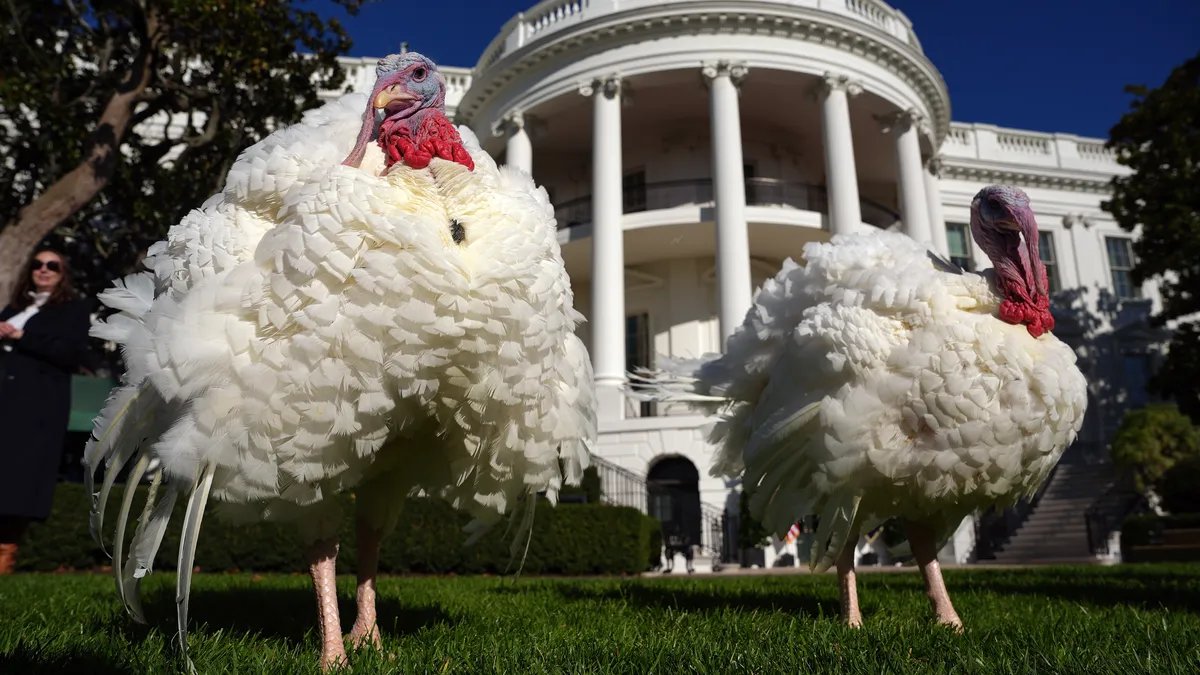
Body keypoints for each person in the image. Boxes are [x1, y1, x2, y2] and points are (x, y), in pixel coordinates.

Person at [0, 248, 91, 573]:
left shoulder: (73, 311)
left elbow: (71, 354)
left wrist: (21, 336)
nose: (43, 270)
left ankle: (7, 552)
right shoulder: (16, 306)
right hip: (6, 401)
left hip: (36, 406)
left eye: (52, 265)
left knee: (18, 480)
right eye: (37, 264)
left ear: (62, 273)